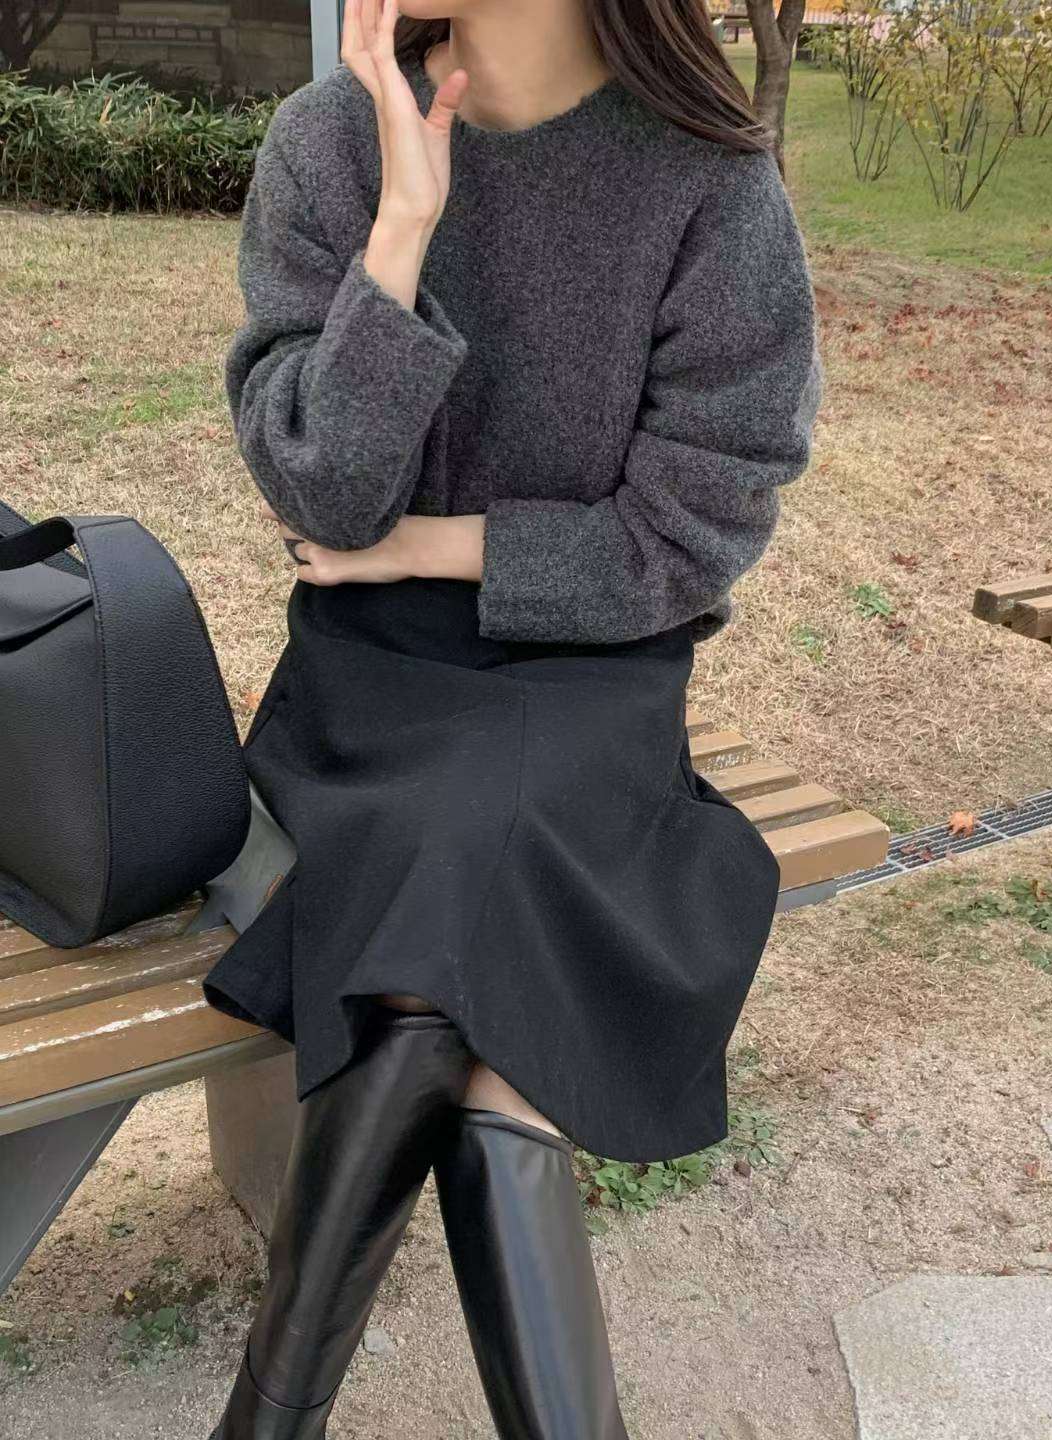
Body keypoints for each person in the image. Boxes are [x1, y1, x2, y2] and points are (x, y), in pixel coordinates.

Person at [202, 0, 823, 1433]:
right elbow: (323, 492)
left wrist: (426, 547)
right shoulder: (330, 145)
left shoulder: (711, 185)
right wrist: (404, 223)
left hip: (591, 678)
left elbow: (688, 537)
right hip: (370, 689)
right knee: (478, 972)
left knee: (454, 895)